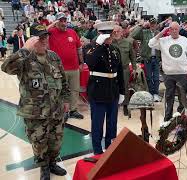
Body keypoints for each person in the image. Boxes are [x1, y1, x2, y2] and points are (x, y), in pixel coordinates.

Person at [1, 23, 71, 180]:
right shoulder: (25, 58)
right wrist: (25, 49)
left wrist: (66, 100)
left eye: (46, 36)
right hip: (35, 113)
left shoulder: (53, 57)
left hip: (56, 110)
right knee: (39, 143)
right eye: (40, 37)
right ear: (32, 40)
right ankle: (43, 167)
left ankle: (52, 163)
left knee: (56, 141)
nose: (45, 40)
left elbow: (64, 82)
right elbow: (6, 67)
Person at [86, 21, 125, 155]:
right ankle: (97, 151)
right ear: (99, 33)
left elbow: (119, 72)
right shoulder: (90, 47)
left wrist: (122, 91)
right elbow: (90, 63)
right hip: (97, 91)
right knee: (97, 123)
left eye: (110, 34)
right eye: (106, 34)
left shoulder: (115, 49)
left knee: (112, 122)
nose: (109, 37)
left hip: (112, 90)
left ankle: (110, 148)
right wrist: (98, 45)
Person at [148, 21, 187, 121]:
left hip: (182, 73)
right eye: (171, 29)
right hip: (168, 74)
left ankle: (181, 117)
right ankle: (168, 118)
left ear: (179, 29)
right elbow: (151, 44)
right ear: (169, 30)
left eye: (176, 29)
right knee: (169, 97)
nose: (174, 31)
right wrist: (162, 32)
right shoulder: (163, 40)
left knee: (183, 98)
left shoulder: (184, 40)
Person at [48, 12, 84, 119]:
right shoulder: (51, 32)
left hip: (74, 67)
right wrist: (53, 24)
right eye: (61, 21)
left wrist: (81, 62)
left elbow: (79, 48)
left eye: (65, 20)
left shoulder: (72, 32)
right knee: (59, 90)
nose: (64, 23)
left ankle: (73, 110)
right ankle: (61, 110)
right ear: (57, 22)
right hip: (58, 68)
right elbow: (41, 32)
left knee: (74, 89)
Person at [130, 18, 161, 102]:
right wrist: (141, 26)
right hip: (147, 58)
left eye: (154, 23)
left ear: (156, 24)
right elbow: (133, 35)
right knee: (148, 77)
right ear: (149, 24)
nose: (153, 25)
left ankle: (156, 94)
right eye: (151, 23)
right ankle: (151, 93)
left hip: (156, 58)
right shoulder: (144, 32)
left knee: (156, 77)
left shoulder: (159, 33)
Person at [112, 25, 137, 116]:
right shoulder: (110, 43)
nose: (116, 33)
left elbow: (133, 57)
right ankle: (115, 105)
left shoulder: (128, 43)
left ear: (122, 32)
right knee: (114, 87)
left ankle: (125, 105)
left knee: (125, 87)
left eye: (118, 31)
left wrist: (134, 68)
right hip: (113, 70)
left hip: (124, 69)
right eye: (114, 31)